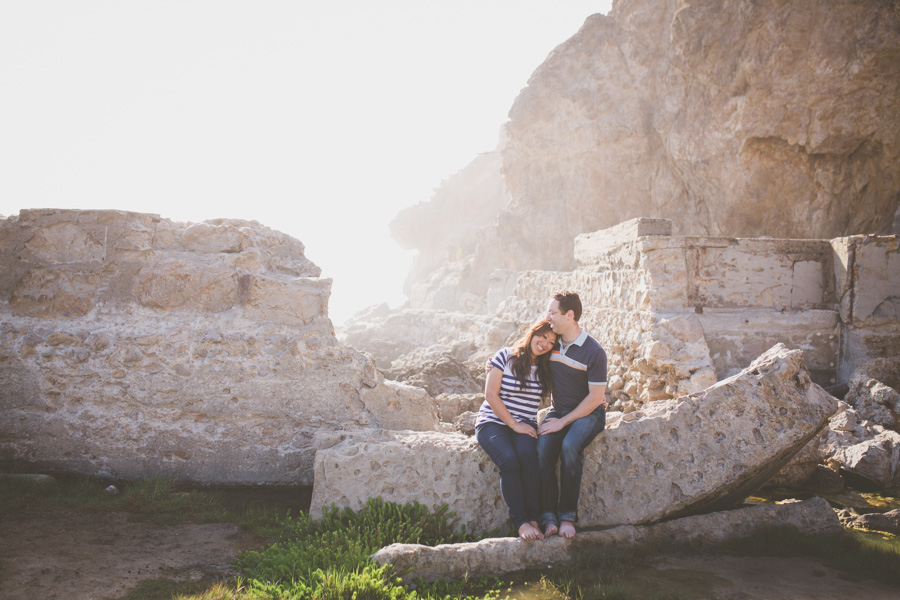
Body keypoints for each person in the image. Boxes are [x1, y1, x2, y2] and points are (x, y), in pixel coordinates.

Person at [475, 319, 557, 541]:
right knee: (509, 460)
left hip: (525, 423)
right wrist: (513, 424)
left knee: (529, 457)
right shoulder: (504, 356)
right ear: (533, 333)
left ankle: (533, 519)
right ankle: (520, 522)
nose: (545, 344)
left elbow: (573, 378)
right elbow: (490, 395)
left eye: (551, 342)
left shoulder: (546, 367)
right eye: (543, 337)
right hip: (493, 421)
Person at [537, 290, 608, 539]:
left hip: (590, 414)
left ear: (570, 315)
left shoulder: (594, 351)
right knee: (542, 448)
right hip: (559, 410)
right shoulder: (551, 343)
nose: (548, 318)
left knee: (569, 446)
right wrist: (497, 363)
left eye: (552, 312)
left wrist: (563, 422)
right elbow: (526, 351)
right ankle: (547, 517)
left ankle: (567, 517)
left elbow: (595, 399)